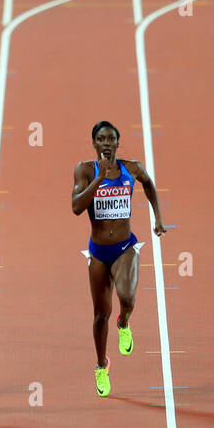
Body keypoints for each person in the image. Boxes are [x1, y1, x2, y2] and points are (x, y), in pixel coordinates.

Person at [70, 120, 165, 397]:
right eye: (102, 139)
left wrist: (157, 217)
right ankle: (102, 365)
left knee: (127, 296)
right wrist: (98, 180)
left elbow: (148, 184)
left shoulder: (131, 167)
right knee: (100, 314)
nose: (107, 143)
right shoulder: (85, 170)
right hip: (99, 252)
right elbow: (76, 207)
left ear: (118, 143)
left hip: (125, 247)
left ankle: (124, 323)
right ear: (94, 143)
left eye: (112, 139)